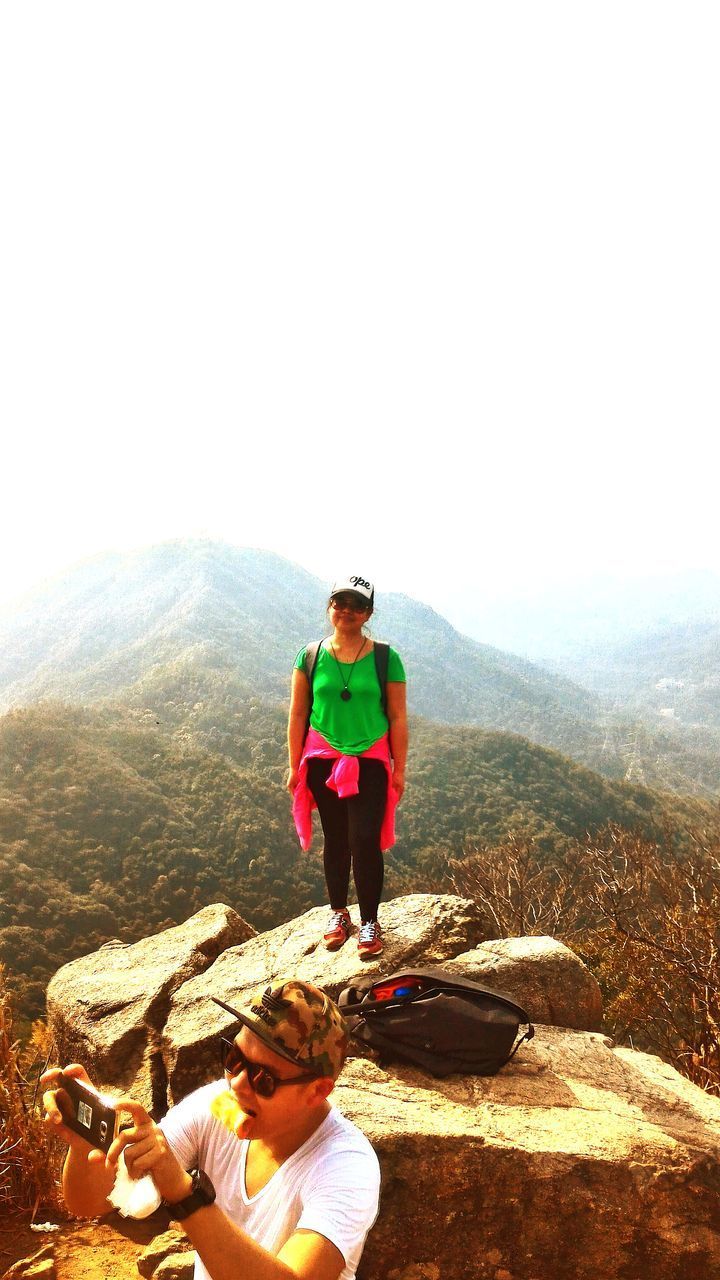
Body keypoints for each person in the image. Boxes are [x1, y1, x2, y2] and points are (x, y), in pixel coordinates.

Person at [42, 979, 380, 1280]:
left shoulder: (346, 1165)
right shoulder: (212, 1106)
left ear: (317, 1091)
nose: (238, 1085)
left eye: (265, 1080)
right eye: (235, 1060)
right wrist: (87, 1142)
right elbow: (88, 1204)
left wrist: (185, 1196)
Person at [287, 575, 408, 958]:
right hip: (322, 758)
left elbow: (399, 717)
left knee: (364, 840)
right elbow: (298, 714)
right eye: (340, 602)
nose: (347, 611)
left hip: (370, 759)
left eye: (356, 605)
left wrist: (400, 768)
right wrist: (294, 765)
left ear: (368, 613)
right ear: (330, 606)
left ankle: (369, 920)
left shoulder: (386, 657)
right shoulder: (309, 656)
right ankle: (339, 913)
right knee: (336, 839)